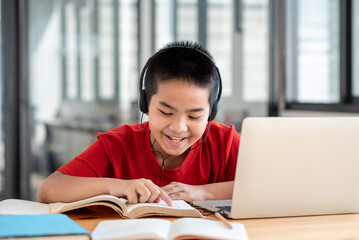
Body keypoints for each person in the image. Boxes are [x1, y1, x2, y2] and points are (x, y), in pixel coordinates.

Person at [37, 41, 240, 206]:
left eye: (194, 116)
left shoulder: (225, 142)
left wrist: (201, 192)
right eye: (166, 112)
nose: (179, 127)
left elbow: (271, 186)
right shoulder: (117, 144)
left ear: (211, 113)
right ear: (145, 104)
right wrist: (116, 186)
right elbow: (48, 190)